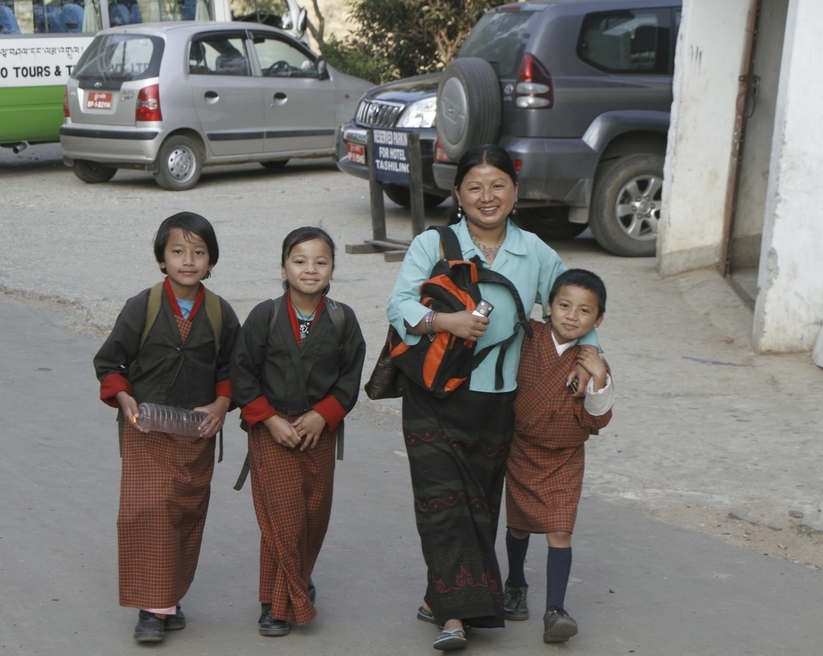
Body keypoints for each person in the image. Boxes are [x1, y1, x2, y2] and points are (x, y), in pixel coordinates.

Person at [386, 144, 598, 651]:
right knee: (443, 506)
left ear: (515, 193)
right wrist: (446, 321)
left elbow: (575, 304)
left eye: (498, 185)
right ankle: (455, 619)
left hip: (498, 402)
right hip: (433, 396)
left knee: (478, 507)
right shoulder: (433, 243)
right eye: (475, 187)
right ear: (458, 195)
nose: (487, 196)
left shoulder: (535, 252)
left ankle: (440, 596)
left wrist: (591, 357)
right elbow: (398, 305)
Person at [93, 212, 240, 644]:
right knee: (148, 513)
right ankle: (151, 610)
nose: (188, 261)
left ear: (211, 260)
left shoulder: (220, 313)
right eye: (177, 251)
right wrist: (123, 397)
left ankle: (168, 600)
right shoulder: (142, 306)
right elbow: (110, 362)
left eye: (198, 252)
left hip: (196, 433)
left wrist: (222, 403)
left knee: (184, 515)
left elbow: (234, 368)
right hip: (146, 430)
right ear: (161, 259)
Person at [231, 227, 366, 637]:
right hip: (270, 431)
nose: (310, 269)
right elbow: (242, 373)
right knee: (283, 519)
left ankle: (295, 582)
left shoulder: (342, 319)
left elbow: (350, 376)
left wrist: (324, 415)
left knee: (312, 516)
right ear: (283, 267)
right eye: (300, 260)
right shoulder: (265, 315)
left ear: (332, 270)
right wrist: (269, 419)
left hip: (319, 434)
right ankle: (276, 605)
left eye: (321, 262)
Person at [502, 268, 612, 644]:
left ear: (598, 320)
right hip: (521, 449)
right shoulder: (527, 336)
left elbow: (599, 420)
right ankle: (515, 582)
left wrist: (599, 377)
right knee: (519, 525)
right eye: (564, 305)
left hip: (565, 457)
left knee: (560, 530)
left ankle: (555, 610)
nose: (572, 316)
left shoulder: (592, 361)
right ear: (548, 306)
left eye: (585, 311)